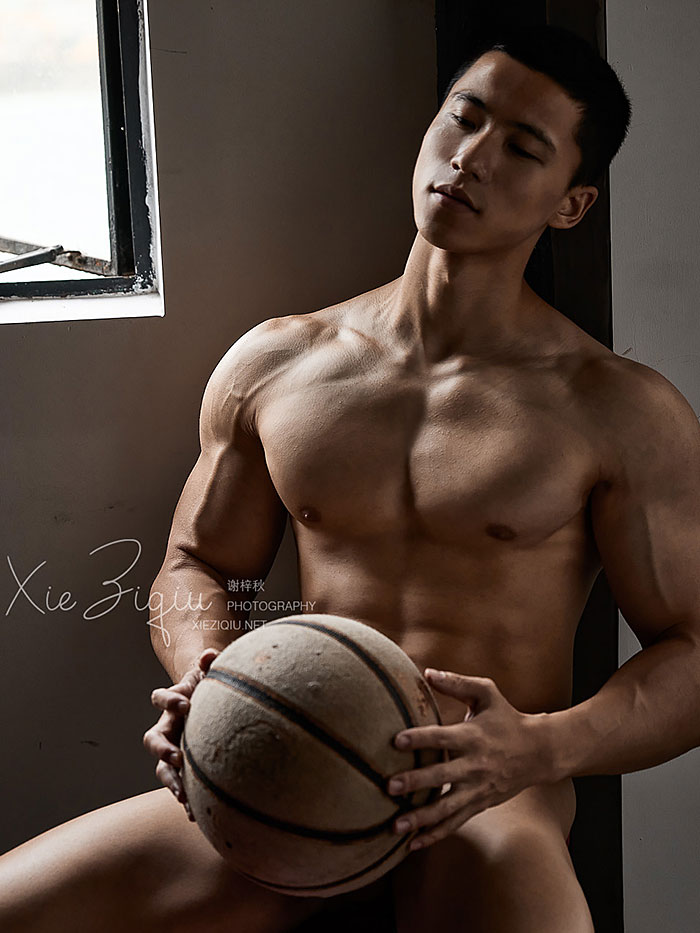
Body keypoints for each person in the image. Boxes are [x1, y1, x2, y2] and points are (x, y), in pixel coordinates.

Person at [2, 23, 700, 933]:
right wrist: (208, 676)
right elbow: (195, 563)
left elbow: (692, 647)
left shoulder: (618, 410)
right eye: (464, 118)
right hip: (284, 766)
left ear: (571, 205)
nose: (472, 157)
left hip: (484, 795)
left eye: (523, 148)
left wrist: (539, 746)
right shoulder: (278, 362)